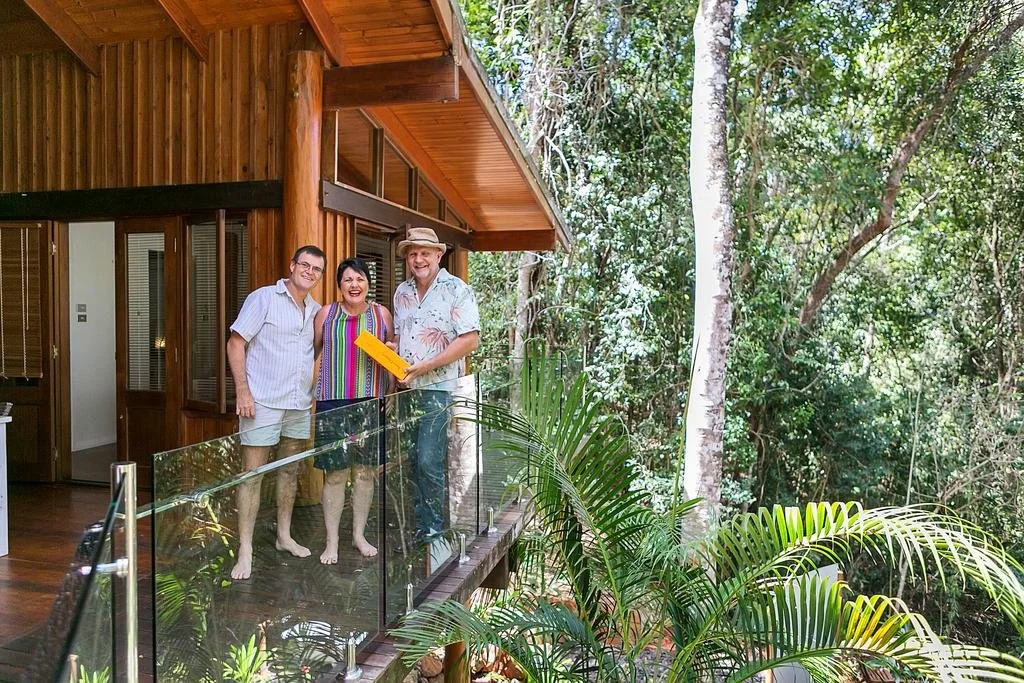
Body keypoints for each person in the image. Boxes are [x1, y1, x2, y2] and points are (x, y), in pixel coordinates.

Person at [226, 245, 326, 580]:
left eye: (316, 269)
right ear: (292, 265)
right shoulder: (264, 298)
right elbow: (235, 343)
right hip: (262, 401)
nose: (309, 272)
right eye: (305, 265)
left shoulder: (315, 310)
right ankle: (245, 549)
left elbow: (318, 353)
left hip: (298, 402)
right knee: (251, 474)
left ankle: (284, 536)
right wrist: (243, 391)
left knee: (289, 471)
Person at [392, 227, 480, 540]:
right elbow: (402, 337)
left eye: (424, 253)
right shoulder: (401, 292)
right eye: (412, 254)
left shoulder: (457, 289)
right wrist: (391, 351)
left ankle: (435, 531)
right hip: (406, 390)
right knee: (412, 460)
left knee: (430, 460)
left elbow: (470, 340)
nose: (418, 259)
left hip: (439, 389)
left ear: (438, 255)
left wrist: (427, 366)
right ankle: (419, 527)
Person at [313, 258, 393, 562]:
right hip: (332, 401)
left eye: (360, 279)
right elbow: (314, 352)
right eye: (348, 280)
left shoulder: (381, 314)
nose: (354, 285)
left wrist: (390, 393)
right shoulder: (326, 314)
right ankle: (331, 541)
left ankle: (358, 535)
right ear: (339, 285)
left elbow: (392, 355)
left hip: (370, 401)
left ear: (368, 284)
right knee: (334, 474)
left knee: (364, 473)